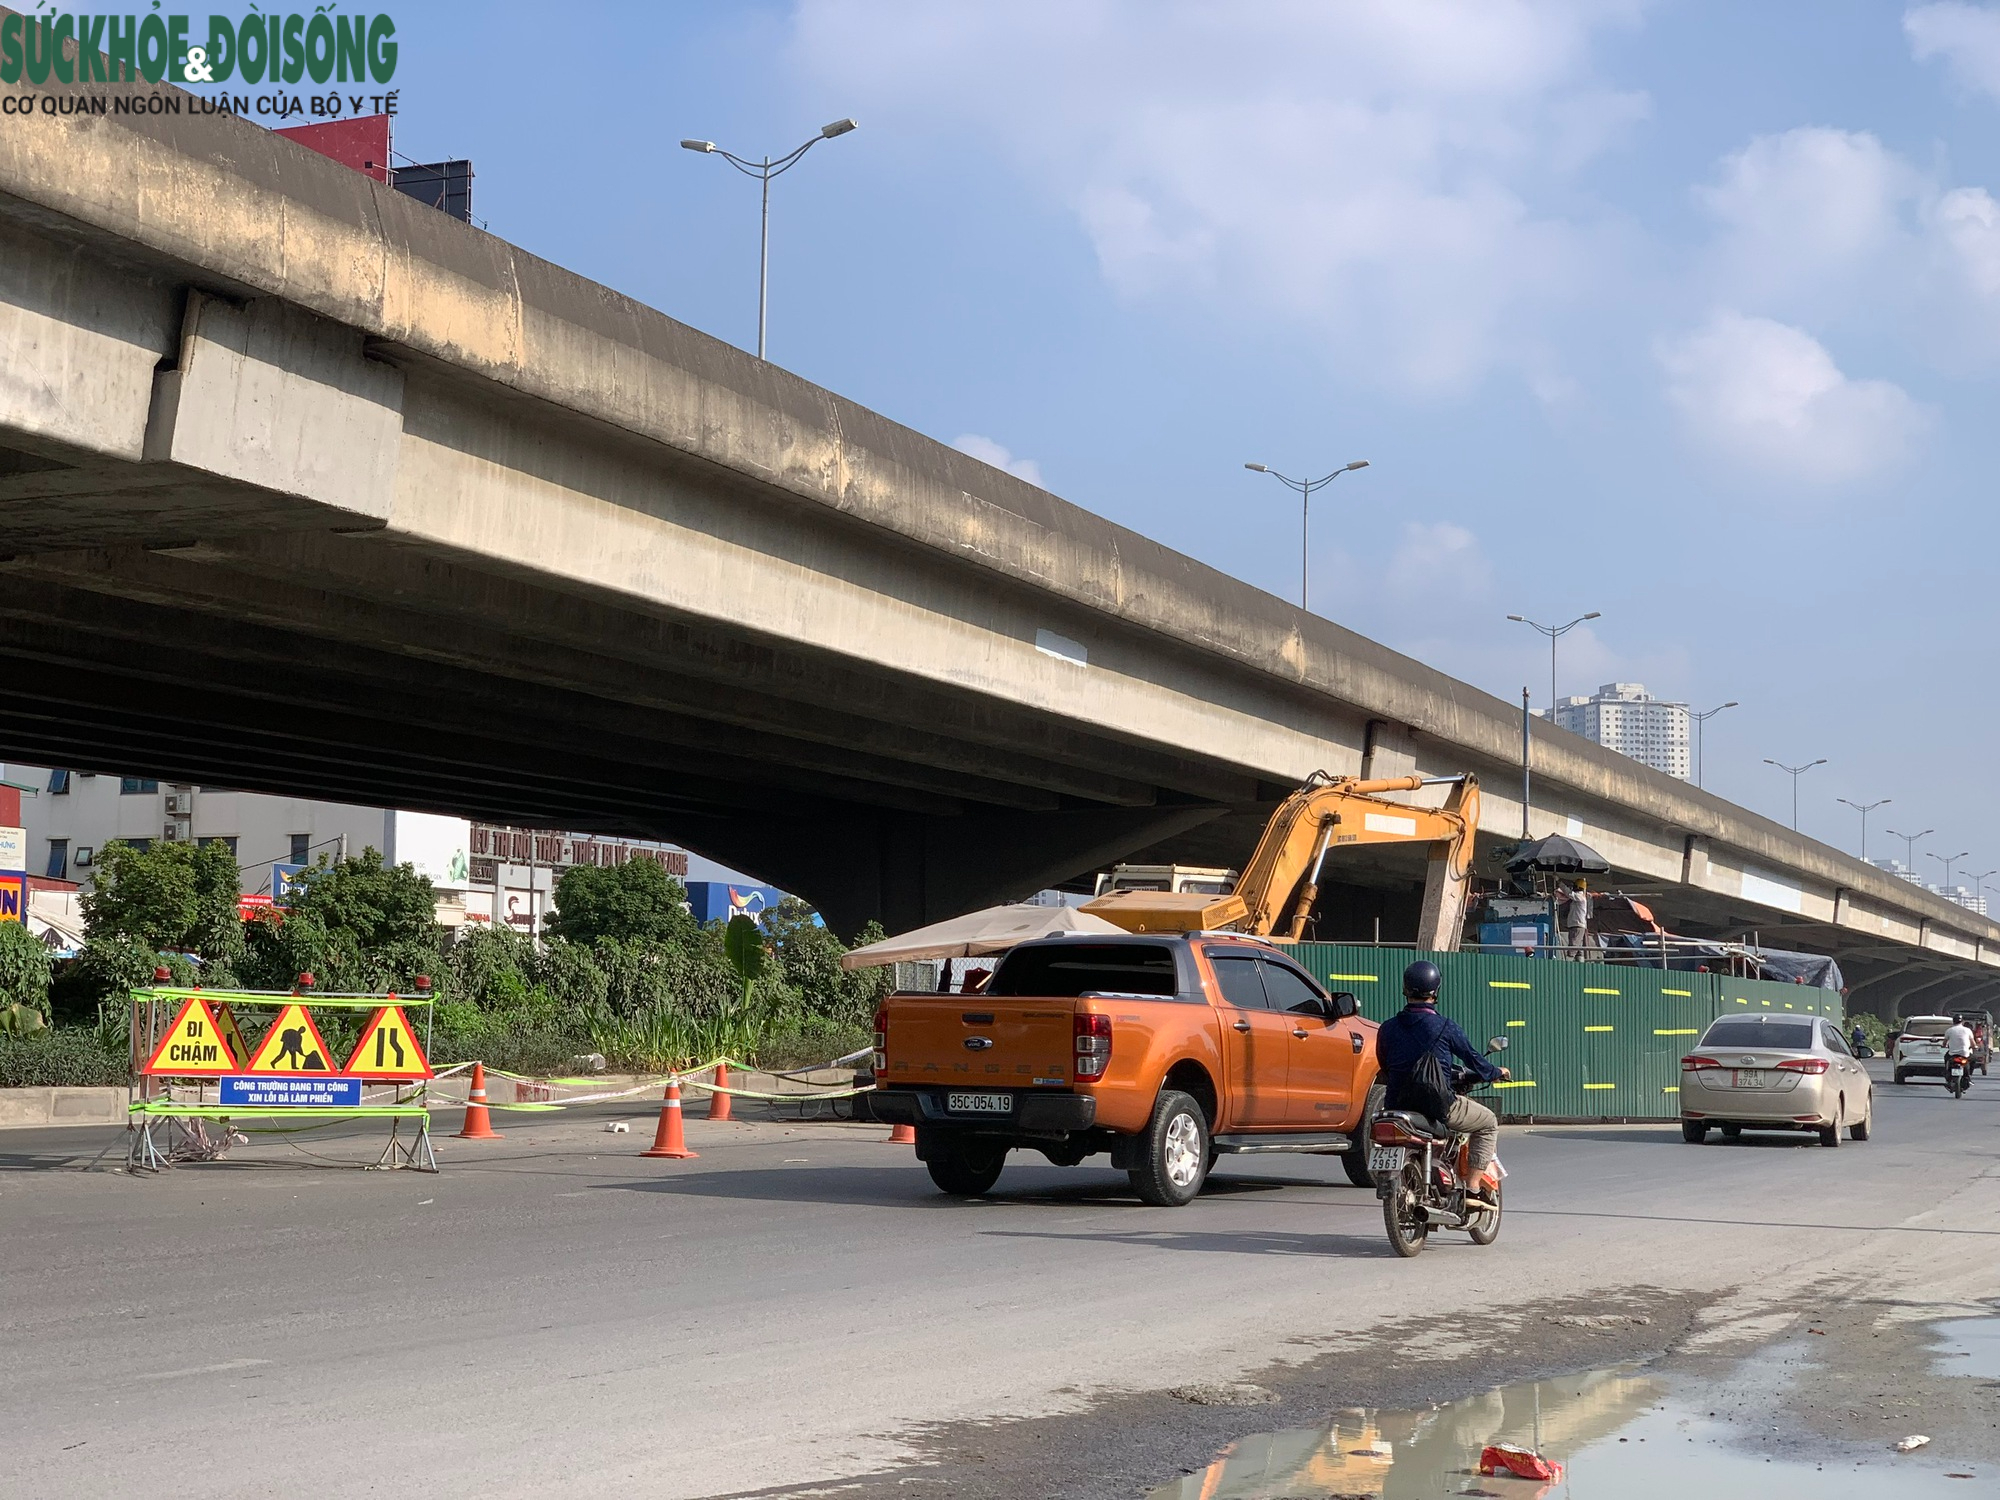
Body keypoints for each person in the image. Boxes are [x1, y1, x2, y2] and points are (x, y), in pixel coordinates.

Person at [1376, 960, 1511, 1209]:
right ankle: (1472, 1188)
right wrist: (1496, 1072)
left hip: (1396, 1103)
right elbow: (1475, 1061)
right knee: (1488, 1122)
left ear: (1405, 989)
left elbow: (1384, 1065)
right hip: (1437, 1105)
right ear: (1435, 991)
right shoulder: (1445, 1026)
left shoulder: (1386, 1029)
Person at [1561, 880, 1593, 960]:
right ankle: (1580, 964)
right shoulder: (1581, 897)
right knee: (1578, 948)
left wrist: (1560, 883)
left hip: (1577, 925)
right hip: (1576, 925)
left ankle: (1567, 964)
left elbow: (1569, 893)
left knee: (1573, 945)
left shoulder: (1579, 896)